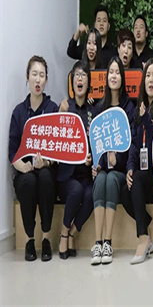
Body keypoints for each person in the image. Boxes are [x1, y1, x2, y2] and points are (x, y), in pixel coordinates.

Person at [9, 56, 59, 261]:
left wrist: (46, 162)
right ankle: (30, 239)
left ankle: (46, 238)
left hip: (46, 168)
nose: (38, 80)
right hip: (25, 171)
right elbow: (13, 152)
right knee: (28, 182)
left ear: (46, 80)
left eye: (42, 75)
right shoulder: (19, 112)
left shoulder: (53, 109)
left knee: (46, 178)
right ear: (27, 77)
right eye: (34, 74)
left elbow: (59, 149)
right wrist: (23, 166)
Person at [121, 59, 153, 264]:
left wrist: (147, 119)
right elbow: (134, 143)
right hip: (141, 173)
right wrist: (130, 167)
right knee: (125, 191)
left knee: (139, 179)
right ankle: (152, 226)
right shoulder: (137, 109)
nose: (150, 79)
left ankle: (142, 237)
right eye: (147, 75)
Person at [91, 56, 136, 265]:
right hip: (103, 168)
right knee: (100, 178)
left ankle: (108, 241)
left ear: (122, 77)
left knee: (110, 180)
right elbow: (95, 143)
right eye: (111, 72)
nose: (114, 76)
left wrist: (119, 160)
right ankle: (97, 243)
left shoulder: (129, 108)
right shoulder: (100, 108)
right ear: (106, 77)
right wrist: (98, 163)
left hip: (120, 169)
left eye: (118, 72)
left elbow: (132, 142)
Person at [56, 61, 95, 259]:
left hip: (86, 174)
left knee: (91, 194)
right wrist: (60, 115)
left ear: (88, 82)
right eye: (76, 75)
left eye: (83, 75)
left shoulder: (93, 111)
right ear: (72, 82)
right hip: (67, 175)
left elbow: (97, 143)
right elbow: (55, 142)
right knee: (76, 190)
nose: (80, 78)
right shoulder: (65, 107)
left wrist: (92, 157)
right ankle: (63, 234)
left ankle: (72, 232)